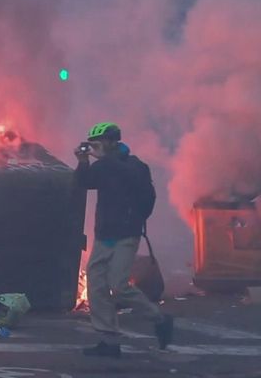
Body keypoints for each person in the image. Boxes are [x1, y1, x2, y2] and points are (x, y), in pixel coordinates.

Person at [74, 122, 173, 358]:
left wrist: (105, 160)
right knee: (97, 285)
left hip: (126, 235)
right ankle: (109, 341)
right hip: (105, 235)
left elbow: (138, 188)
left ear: (112, 142)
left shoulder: (134, 165)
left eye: (98, 143)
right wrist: (83, 161)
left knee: (118, 285)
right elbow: (85, 182)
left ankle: (159, 318)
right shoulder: (103, 166)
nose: (95, 147)